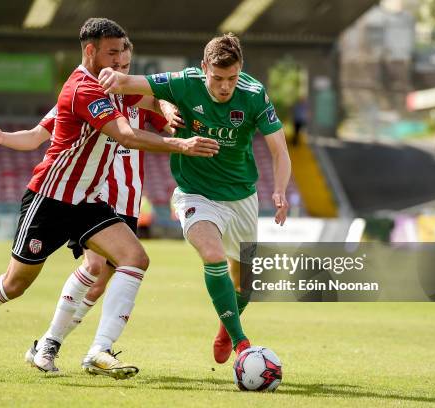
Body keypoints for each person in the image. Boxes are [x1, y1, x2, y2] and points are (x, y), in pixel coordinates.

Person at [0, 17, 219, 379]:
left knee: (135, 258)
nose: (119, 64)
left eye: (123, 57)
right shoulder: (82, 89)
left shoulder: (114, 86)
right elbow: (125, 136)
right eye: (112, 55)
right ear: (90, 51)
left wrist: (162, 105)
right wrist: (182, 145)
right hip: (49, 200)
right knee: (14, 285)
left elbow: (149, 95)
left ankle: (99, 348)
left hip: (88, 202)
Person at [0, 39, 174, 374]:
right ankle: (63, 347)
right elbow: (36, 135)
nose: (121, 72)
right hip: (94, 196)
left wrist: (170, 110)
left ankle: (61, 346)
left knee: (103, 278)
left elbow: (164, 112)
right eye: (116, 64)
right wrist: (4, 138)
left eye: (127, 67)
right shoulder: (84, 97)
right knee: (95, 267)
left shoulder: (136, 100)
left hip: (128, 200)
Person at [99, 33, 291, 363]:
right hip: (195, 193)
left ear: (240, 70)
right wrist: (115, 78)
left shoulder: (254, 94)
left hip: (242, 196)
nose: (224, 86)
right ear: (203, 68)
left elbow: (280, 150)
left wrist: (280, 190)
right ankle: (241, 343)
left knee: (245, 280)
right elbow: (133, 83)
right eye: (217, 78)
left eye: (231, 78)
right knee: (213, 255)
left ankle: (226, 326)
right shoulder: (184, 82)